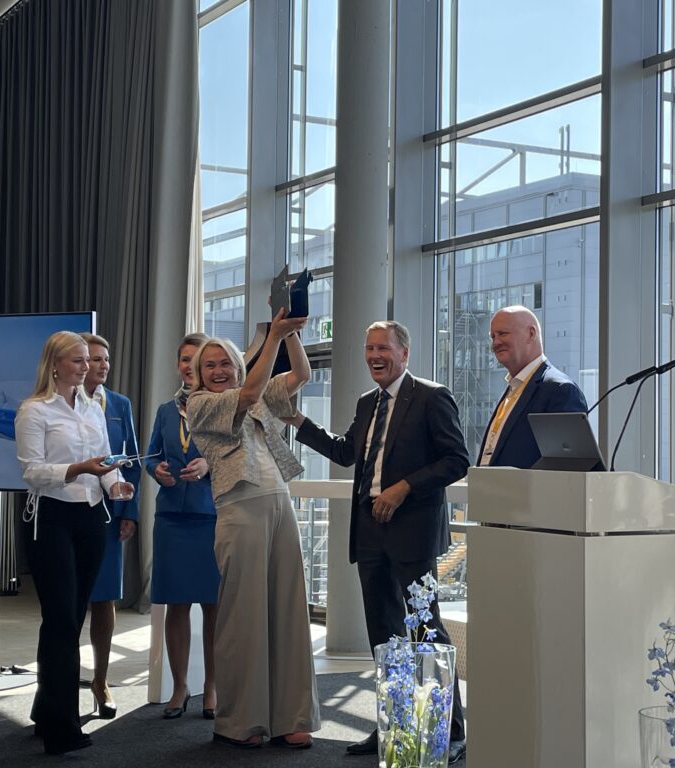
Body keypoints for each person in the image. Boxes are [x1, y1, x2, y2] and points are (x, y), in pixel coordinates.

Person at [286, 320, 470, 764]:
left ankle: (451, 730)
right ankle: (396, 722)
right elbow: (345, 452)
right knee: (384, 633)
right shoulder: (367, 403)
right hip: (370, 531)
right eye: (369, 348)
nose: (374, 356)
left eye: (383, 348)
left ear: (404, 353)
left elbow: (456, 460)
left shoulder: (432, 397)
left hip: (413, 532)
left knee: (425, 629)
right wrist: (298, 421)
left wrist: (403, 487)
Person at [186, 309, 320, 749]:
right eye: (210, 365)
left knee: (288, 612)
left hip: (280, 500)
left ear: (237, 365)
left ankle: (291, 717)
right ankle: (241, 720)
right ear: (198, 375)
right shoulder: (199, 404)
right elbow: (247, 394)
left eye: (225, 362)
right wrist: (273, 337)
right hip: (239, 507)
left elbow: (301, 374)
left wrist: (291, 333)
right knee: (243, 616)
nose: (219, 370)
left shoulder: (258, 393)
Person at [14, 331, 134, 755]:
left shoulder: (93, 408)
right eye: (79, 360)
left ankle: (46, 713)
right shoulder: (34, 410)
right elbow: (32, 472)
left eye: (89, 360)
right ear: (55, 364)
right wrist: (79, 468)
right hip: (51, 518)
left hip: (91, 518)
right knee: (62, 620)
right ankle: (62, 728)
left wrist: (116, 485)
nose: (88, 367)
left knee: (70, 619)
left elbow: (107, 461)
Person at [143, 332, 221, 720]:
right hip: (172, 517)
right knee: (176, 604)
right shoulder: (165, 411)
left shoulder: (222, 406)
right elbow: (150, 455)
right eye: (185, 359)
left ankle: (212, 687)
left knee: (214, 606)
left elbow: (239, 454)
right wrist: (155, 469)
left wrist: (210, 465)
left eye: (197, 360)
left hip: (211, 517)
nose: (190, 366)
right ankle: (179, 687)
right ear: (178, 365)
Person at [80, 332, 140, 720]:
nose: (103, 365)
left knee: (105, 600)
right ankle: (58, 685)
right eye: (95, 359)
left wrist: (130, 511)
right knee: (69, 603)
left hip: (110, 514)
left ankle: (100, 682)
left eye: (106, 358)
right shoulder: (61, 404)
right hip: (70, 511)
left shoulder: (119, 404)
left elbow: (130, 460)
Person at [476, 305, 587, 468]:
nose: (496, 342)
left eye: (503, 334)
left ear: (531, 334)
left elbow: (567, 466)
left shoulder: (560, 390)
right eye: (493, 336)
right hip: (490, 484)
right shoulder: (514, 388)